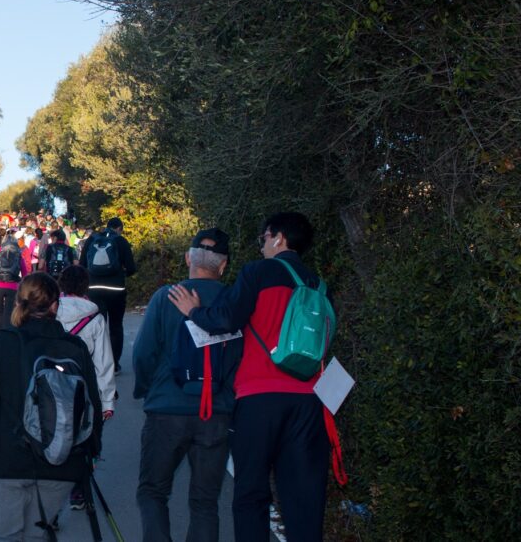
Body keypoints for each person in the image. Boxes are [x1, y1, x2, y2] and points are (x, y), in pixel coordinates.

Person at [169, 212, 332, 542]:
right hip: (309, 398)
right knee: (303, 497)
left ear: (279, 238)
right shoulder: (317, 283)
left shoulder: (258, 273)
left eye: (263, 239)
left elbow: (226, 319)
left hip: (260, 397)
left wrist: (194, 312)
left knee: (251, 493)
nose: (262, 247)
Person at [0, 273, 104, 541]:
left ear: (19, 303)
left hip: (5, 457)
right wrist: (91, 451)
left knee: (4, 536)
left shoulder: (1, 343)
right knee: (38, 535)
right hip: (59, 459)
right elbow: (93, 404)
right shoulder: (75, 348)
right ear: (55, 306)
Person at [134, 228, 240, 542]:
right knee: (205, 502)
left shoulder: (165, 296)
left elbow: (143, 353)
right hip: (216, 413)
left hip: (167, 409)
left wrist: (146, 389)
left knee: (153, 491)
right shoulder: (233, 300)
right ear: (223, 266)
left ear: (187, 258)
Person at [54, 265, 116, 512]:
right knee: (85, 439)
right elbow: (104, 361)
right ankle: (79, 492)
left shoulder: (51, 312)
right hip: (85, 388)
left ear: (61, 286)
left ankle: (52, 499)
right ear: (86, 286)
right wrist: (108, 400)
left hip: (54, 386)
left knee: (56, 436)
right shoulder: (95, 318)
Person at [79, 217, 137, 372]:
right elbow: (131, 267)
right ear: (119, 228)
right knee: (116, 326)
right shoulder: (121, 241)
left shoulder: (92, 239)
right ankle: (114, 365)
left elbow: (82, 264)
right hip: (116, 290)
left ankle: (98, 362)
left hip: (94, 288)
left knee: (98, 326)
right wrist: (120, 273)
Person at [0, 234, 29, 335]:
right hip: (13, 286)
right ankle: (7, 335)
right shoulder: (18, 256)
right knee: (9, 313)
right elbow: (25, 274)